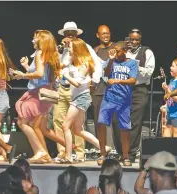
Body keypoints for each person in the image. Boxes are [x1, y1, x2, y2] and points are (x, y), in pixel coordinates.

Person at [53, 21, 105, 162]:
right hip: (65, 89)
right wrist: (59, 51)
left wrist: (93, 82)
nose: (69, 36)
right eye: (67, 33)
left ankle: (77, 154)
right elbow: (58, 66)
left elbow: (97, 64)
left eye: (72, 33)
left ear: (76, 34)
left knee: (68, 125)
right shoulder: (62, 49)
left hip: (79, 92)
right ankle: (65, 152)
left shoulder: (83, 48)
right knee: (63, 123)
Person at [13, 30, 60, 163]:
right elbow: (43, 74)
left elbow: (39, 74)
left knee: (22, 122)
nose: (33, 41)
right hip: (45, 92)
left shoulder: (39, 54)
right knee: (33, 124)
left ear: (41, 40)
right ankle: (43, 154)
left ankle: (40, 151)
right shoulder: (49, 54)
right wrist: (26, 67)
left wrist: (22, 75)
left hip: (38, 93)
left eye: (35, 38)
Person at [97, 41, 138, 166]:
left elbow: (133, 80)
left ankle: (125, 155)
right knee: (101, 123)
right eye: (113, 50)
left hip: (124, 100)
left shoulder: (132, 63)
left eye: (118, 51)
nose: (115, 53)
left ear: (125, 51)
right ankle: (103, 153)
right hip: (109, 98)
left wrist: (117, 81)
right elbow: (106, 74)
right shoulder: (112, 61)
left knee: (124, 128)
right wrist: (110, 60)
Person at [126, 29, 156, 162]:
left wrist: (133, 65)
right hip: (123, 88)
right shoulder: (123, 50)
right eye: (131, 39)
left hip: (139, 89)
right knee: (119, 121)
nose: (133, 42)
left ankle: (131, 154)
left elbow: (149, 72)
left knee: (135, 122)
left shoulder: (146, 52)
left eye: (136, 39)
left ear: (140, 40)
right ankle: (121, 151)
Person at [92, 24, 118, 156]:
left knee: (116, 121)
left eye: (107, 33)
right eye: (103, 34)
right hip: (98, 91)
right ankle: (102, 150)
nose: (106, 36)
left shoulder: (116, 47)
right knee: (99, 122)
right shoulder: (95, 50)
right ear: (97, 35)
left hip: (114, 91)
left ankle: (119, 150)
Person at [161, 59, 177, 137]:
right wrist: (165, 105)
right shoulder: (171, 81)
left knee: (176, 135)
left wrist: (167, 89)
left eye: (173, 66)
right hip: (170, 113)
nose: (170, 68)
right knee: (166, 135)